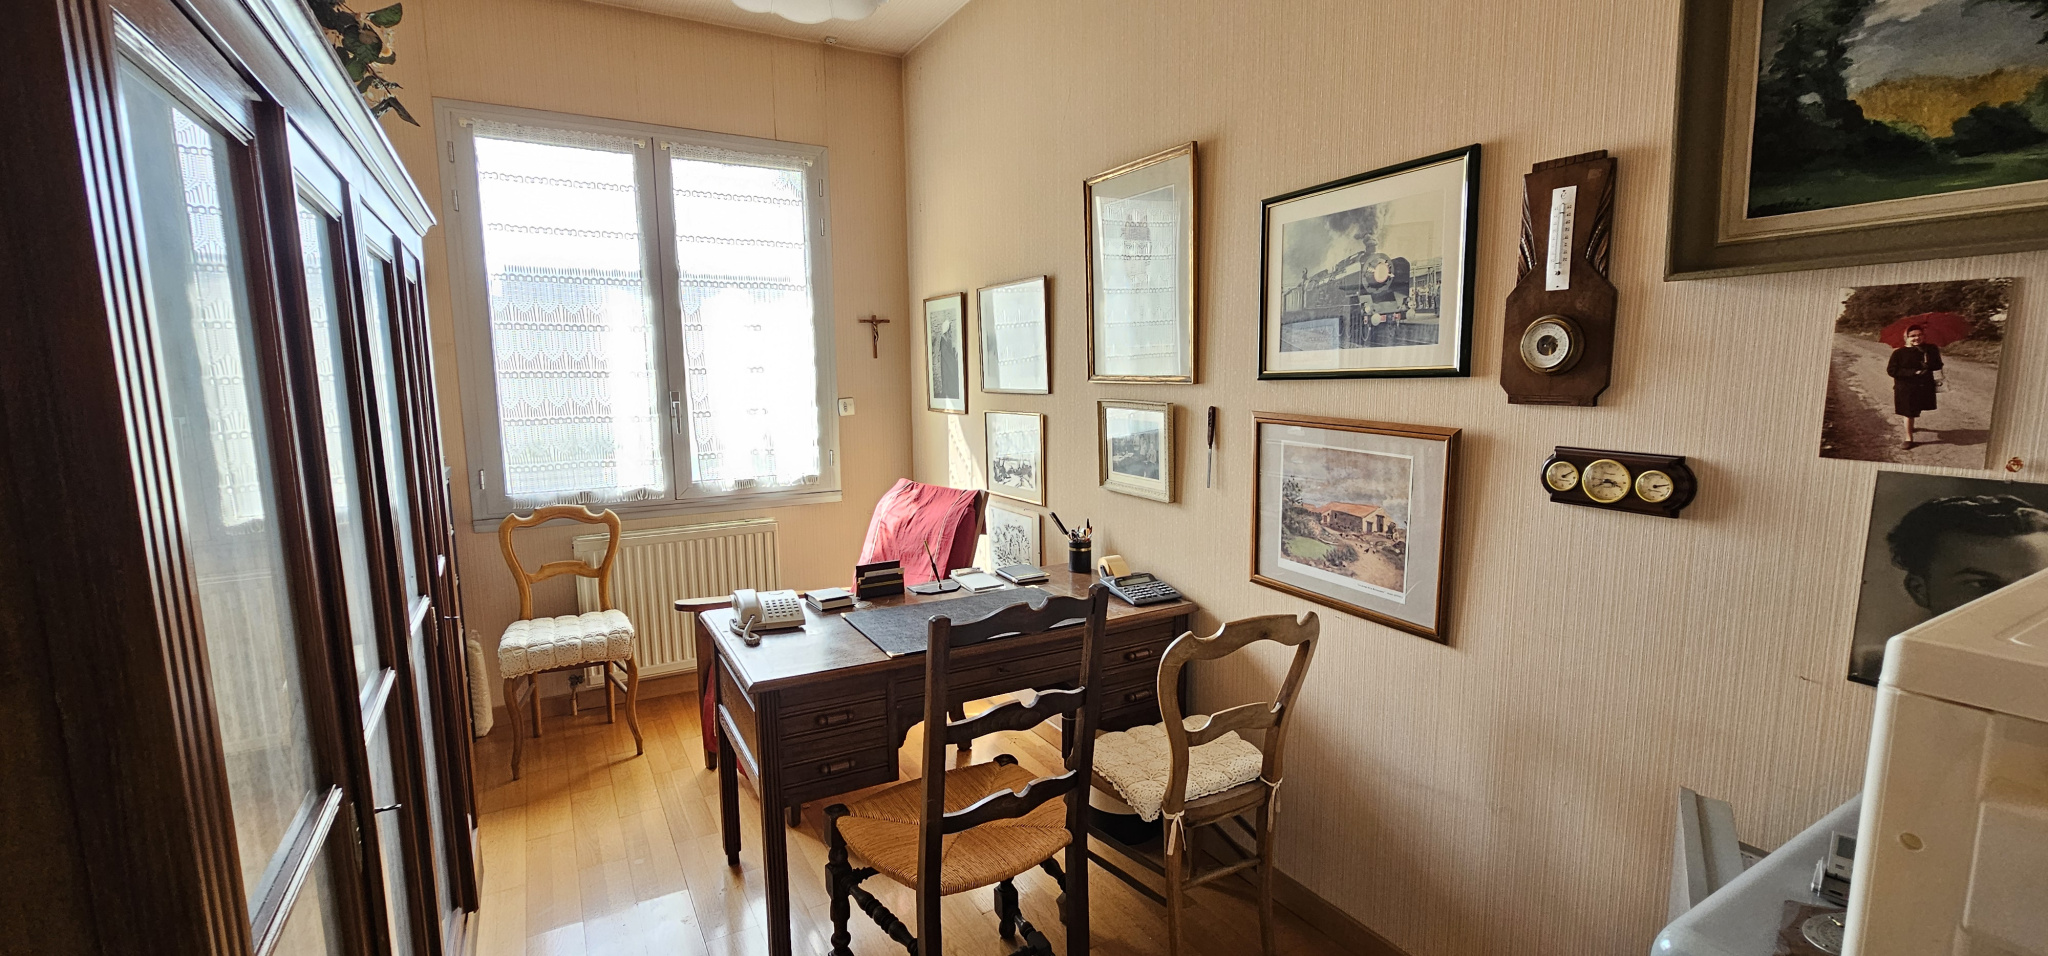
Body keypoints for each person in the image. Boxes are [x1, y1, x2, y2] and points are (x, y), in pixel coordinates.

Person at [1854, 494, 2048, 681]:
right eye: (1982, 584)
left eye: (2032, 583)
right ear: (1919, 590)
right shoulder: (1870, 668)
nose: (2012, 603)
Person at [1885, 324, 1944, 448]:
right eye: (1912, 336)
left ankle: (1911, 426)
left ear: (1924, 336)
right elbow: (1892, 370)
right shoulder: (1899, 353)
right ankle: (1909, 438)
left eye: (1920, 334)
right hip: (1906, 387)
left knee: (1916, 409)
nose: (1917, 338)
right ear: (1906, 337)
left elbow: (1938, 365)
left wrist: (1928, 363)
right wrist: (1914, 372)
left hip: (1924, 386)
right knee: (1908, 412)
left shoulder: (1931, 349)